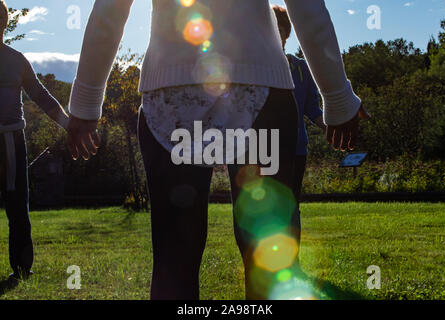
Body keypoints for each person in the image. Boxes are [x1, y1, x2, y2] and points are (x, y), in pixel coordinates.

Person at [67, 0, 369, 299]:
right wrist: (337, 96)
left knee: (175, 255)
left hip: (172, 92)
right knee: (268, 251)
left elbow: (111, 9)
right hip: (260, 85)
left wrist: (86, 102)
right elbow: (306, 7)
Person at [0, 0, 69, 280]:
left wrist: (70, 125)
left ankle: (21, 269)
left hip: (11, 141)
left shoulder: (17, 60)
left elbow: (41, 96)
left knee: (17, 205)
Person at [273, 5, 327, 202]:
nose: (274, 34)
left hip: (296, 148)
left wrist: (332, 126)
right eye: (269, 29)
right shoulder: (256, 71)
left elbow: (312, 109)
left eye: (278, 29)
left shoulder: (301, 67)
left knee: (291, 205)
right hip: (263, 147)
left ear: (286, 34)